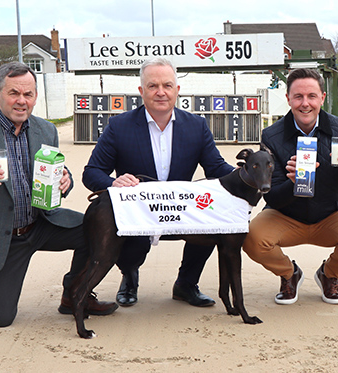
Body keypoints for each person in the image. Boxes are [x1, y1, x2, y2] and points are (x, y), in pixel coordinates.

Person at [0, 62, 117, 327]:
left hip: (41, 223)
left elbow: (53, 171)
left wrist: (65, 180)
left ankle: (74, 295)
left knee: (99, 229)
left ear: (35, 97)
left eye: (28, 94)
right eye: (14, 93)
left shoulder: (46, 130)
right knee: (1, 317)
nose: (22, 101)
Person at [83, 57, 234, 308]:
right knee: (132, 245)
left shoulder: (196, 126)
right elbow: (91, 172)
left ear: (177, 90)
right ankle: (129, 277)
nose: (160, 92)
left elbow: (216, 168)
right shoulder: (119, 126)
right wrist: (114, 182)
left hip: (181, 212)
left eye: (167, 85)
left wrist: (248, 176)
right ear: (141, 91)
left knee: (211, 221)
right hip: (139, 214)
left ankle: (186, 284)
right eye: (153, 86)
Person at [243, 68, 338, 305]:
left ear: (322, 98)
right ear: (288, 99)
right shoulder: (271, 136)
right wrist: (291, 182)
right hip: (286, 215)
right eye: (298, 97)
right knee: (251, 238)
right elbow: (270, 197)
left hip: (331, 213)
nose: (305, 104)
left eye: (312, 96)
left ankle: (329, 274)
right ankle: (289, 274)